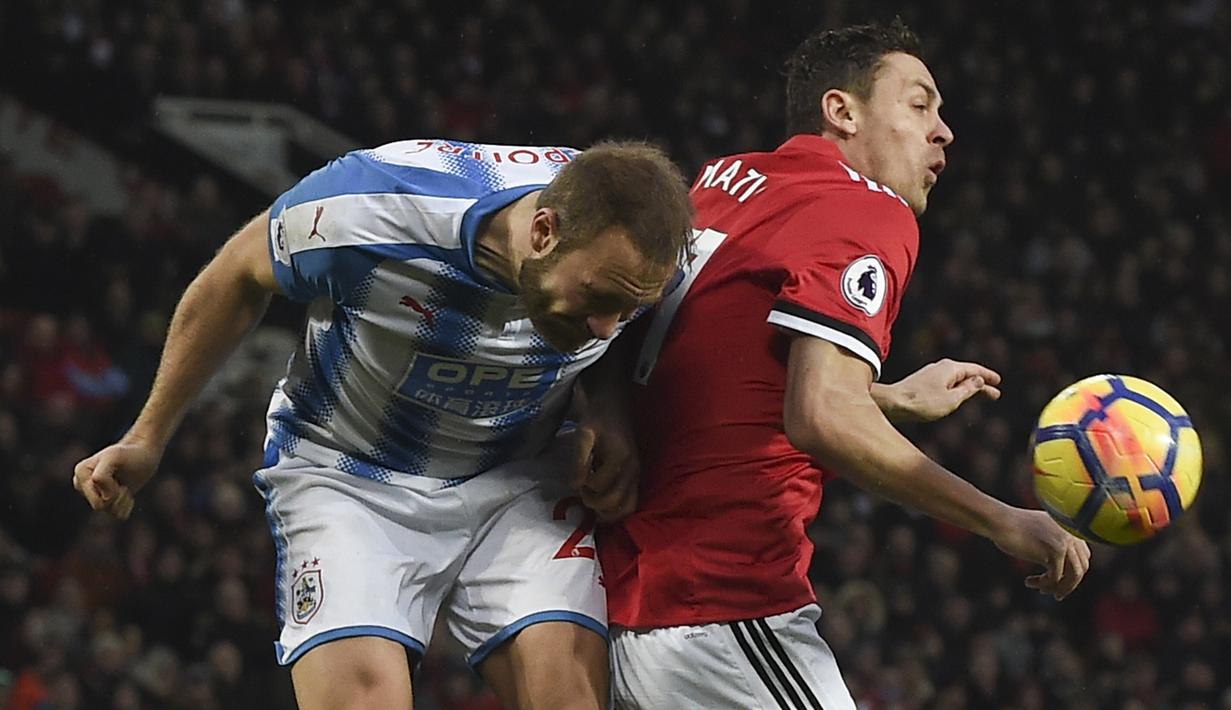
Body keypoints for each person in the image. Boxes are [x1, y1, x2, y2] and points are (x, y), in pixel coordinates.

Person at [71, 138, 694, 710]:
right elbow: (237, 273)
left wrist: (609, 409)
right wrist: (146, 436)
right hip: (350, 476)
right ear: (543, 230)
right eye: (600, 300)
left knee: (568, 698)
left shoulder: (637, 252)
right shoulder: (371, 209)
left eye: (628, 308)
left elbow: (624, 333)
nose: (607, 327)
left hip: (518, 476)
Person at [597, 20, 1092, 709]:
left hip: (618, 591)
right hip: (722, 602)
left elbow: (697, 364)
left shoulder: (725, 181)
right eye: (918, 105)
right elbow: (821, 416)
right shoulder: (868, 209)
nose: (943, 132)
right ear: (842, 111)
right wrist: (1000, 519)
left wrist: (882, 397)